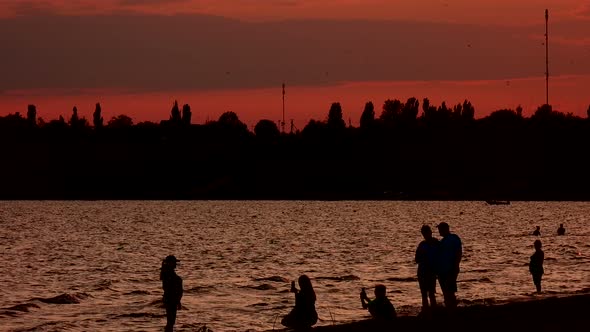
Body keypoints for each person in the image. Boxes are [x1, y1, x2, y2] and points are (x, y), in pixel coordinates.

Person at [436, 222, 462, 310]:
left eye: (440, 229)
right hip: (443, 270)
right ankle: (450, 306)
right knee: (447, 291)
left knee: (449, 290)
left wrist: (456, 265)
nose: (439, 231)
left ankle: (451, 307)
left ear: (445, 229)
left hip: (449, 269)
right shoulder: (444, 241)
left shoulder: (453, 239)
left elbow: (458, 253)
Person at [415, 225, 439, 313]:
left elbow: (439, 256)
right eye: (423, 233)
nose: (425, 234)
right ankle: (426, 310)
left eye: (426, 232)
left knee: (431, 293)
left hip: (430, 272)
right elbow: (417, 259)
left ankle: (433, 310)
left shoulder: (435, 243)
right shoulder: (422, 244)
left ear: (430, 232)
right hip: (423, 272)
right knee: (424, 293)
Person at [160, 255, 183, 332]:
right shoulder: (168, 274)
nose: (175, 265)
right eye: (174, 263)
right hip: (171, 300)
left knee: (171, 321)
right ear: (170, 263)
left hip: (171, 299)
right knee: (171, 321)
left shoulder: (167, 273)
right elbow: (169, 288)